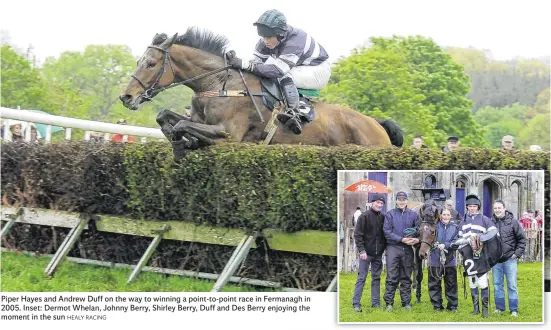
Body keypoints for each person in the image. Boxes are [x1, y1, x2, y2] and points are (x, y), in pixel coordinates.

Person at [226, 9, 331, 135]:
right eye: (263, 37)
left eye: (269, 37)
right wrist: (236, 63)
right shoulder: (265, 43)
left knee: (283, 75)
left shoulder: (295, 40)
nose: (265, 41)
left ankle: (294, 113)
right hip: (300, 68)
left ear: (280, 34)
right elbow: (256, 65)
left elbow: (277, 70)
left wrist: (245, 64)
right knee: (267, 72)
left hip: (319, 70)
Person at [457, 194, 496, 318]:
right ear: (467, 207)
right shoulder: (463, 222)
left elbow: (494, 231)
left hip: (481, 256)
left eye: (474, 206)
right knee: (472, 282)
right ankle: (476, 308)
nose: (472, 208)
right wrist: (462, 244)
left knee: (483, 282)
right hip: (468, 257)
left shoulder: (484, 219)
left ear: (478, 207)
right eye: (470, 206)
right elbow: (459, 238)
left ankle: (484, 310)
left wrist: (481, 239)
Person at [382, 191, 420, 311]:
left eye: (404, 199)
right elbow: (387, 232)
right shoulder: (390, 214)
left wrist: (416, 239)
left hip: (408, 249)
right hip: (393, 247)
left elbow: (419, 230)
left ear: (406, 201)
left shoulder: (413, 215)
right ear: (396, 201)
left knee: (406, 276)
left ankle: (405, 303)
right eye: (400, 199)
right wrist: (401, 239)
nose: (402, 201)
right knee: (392, 276)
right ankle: (389, 303)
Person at [352, 194, 387, 312]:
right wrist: (361, 250)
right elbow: (357, 235)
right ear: (373, 203)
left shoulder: (383, 217)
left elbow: (384, 235)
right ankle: (356, 303)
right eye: (377, 202)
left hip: (378, 254)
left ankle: (375, 303)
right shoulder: (364, 216)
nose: (379, 205)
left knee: (376, 278)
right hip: (365, 254)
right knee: (361, 278)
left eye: (381, 203)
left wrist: (384, 248)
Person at [491, 200, 526, 317]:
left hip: (510, 259)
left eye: (499, 208)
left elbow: (521, 240)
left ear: (504, 208)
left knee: (511, 285)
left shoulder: (513, 222)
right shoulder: (490, 223)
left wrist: (516, 254)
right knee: (497, 284)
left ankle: (513, 309)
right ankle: (499, 308)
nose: (497, 210)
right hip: (496, 261)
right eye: (495, 208)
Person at [428, 209, 459, 312]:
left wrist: (445, 245)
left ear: (451, 216)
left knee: (451, 283)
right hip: (435, 259)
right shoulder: (435, 226)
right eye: (444, 214)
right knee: (434, 283)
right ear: (440, 216)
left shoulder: (455, 227)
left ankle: (452, 306)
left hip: (450, 259)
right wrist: (435, 245)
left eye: (448, 215)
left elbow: (456, 241)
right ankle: (437, 306)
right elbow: (428, 238)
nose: (446, 216)